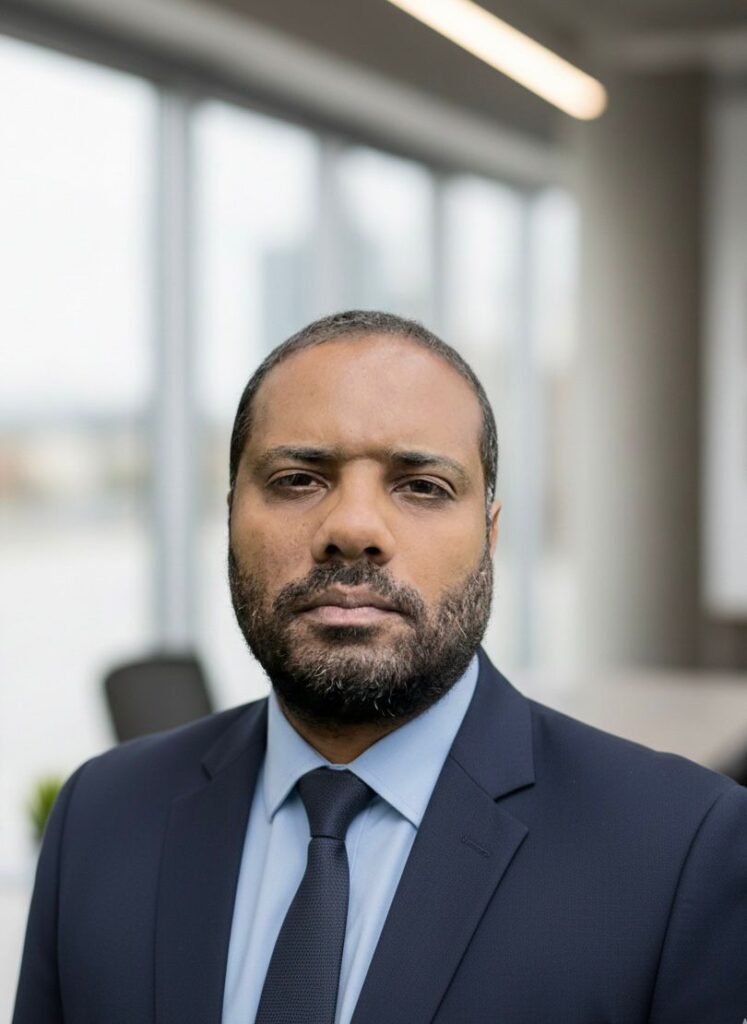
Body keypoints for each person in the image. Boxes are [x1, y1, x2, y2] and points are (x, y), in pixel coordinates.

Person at [12, 310, 747, 1023]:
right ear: (231, 515)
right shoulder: (100, 818)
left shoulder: (680, 848)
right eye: (298, 479)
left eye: (421, 486)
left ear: (490, 535)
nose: (353, 528)